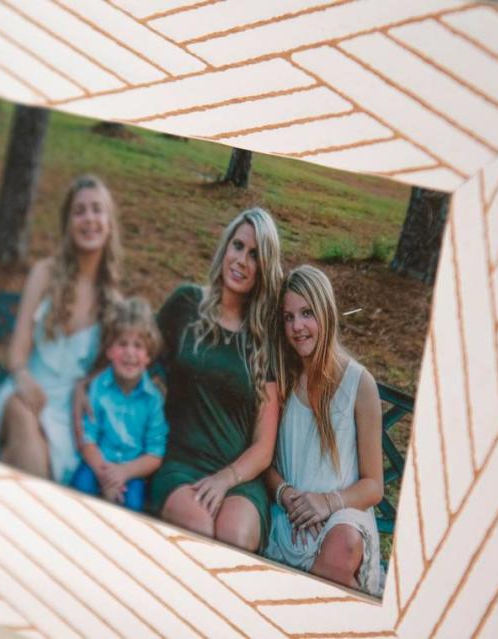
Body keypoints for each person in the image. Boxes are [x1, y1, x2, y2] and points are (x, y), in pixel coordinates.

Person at [148, 207, 284, 552]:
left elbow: (264, 446)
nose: (241, 260)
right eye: (237, 246)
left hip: (239, 476)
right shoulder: (186, 304)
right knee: (199, 531)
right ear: (225, 247)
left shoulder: (265, 338)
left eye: (254, 255)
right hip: (180, 462)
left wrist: (226, 479)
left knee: (232, 539)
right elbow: (137, 357)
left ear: (264, 268)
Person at [0, 174, 122, 484]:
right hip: (27, 390)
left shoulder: (111, 300)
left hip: (67, 416)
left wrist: (85, 386)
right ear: (68, 224)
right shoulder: (44, 274)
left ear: (109, 223)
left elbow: (104, 373)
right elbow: (18, 350)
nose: (89, 219)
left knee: (23, 464)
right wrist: (21, 376)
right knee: (26, 438)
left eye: (97, 210)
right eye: (79, 211)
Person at [264, 265, 384, 596]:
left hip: (342, 511)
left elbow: (374, 486)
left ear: (326, 313)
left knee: (343, 545)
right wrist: (289, 496)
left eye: (306, 313)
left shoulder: (359, 384)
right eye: (288, 317)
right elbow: (266, 463)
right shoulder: (284, 379)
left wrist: (327, 502)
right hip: (290, 511)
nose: (297, 327)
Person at [71, 297, 168, 512]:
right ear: (109, 351)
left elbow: (155, 455)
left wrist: (123, 472)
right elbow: (87, 439)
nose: (130, 353)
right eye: (122, 344)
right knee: (79, 489)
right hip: (97, 463)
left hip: (132, 471)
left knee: (131, 505)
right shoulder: (98, 387)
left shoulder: (153, 400)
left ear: (148, 356)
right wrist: (105, 476)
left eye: (138, 346)